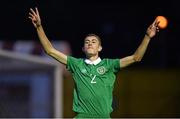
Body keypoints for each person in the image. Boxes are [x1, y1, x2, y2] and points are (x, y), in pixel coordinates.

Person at [28, 7, 159, 118]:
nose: (90, 43)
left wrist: (147, 37)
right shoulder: (76, 64)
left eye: (93, 41)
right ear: (83, 48)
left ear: (100, 48)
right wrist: (39, 27)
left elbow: (136, 57)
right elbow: (50, 50)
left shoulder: (109, 65)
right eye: (87, 42)